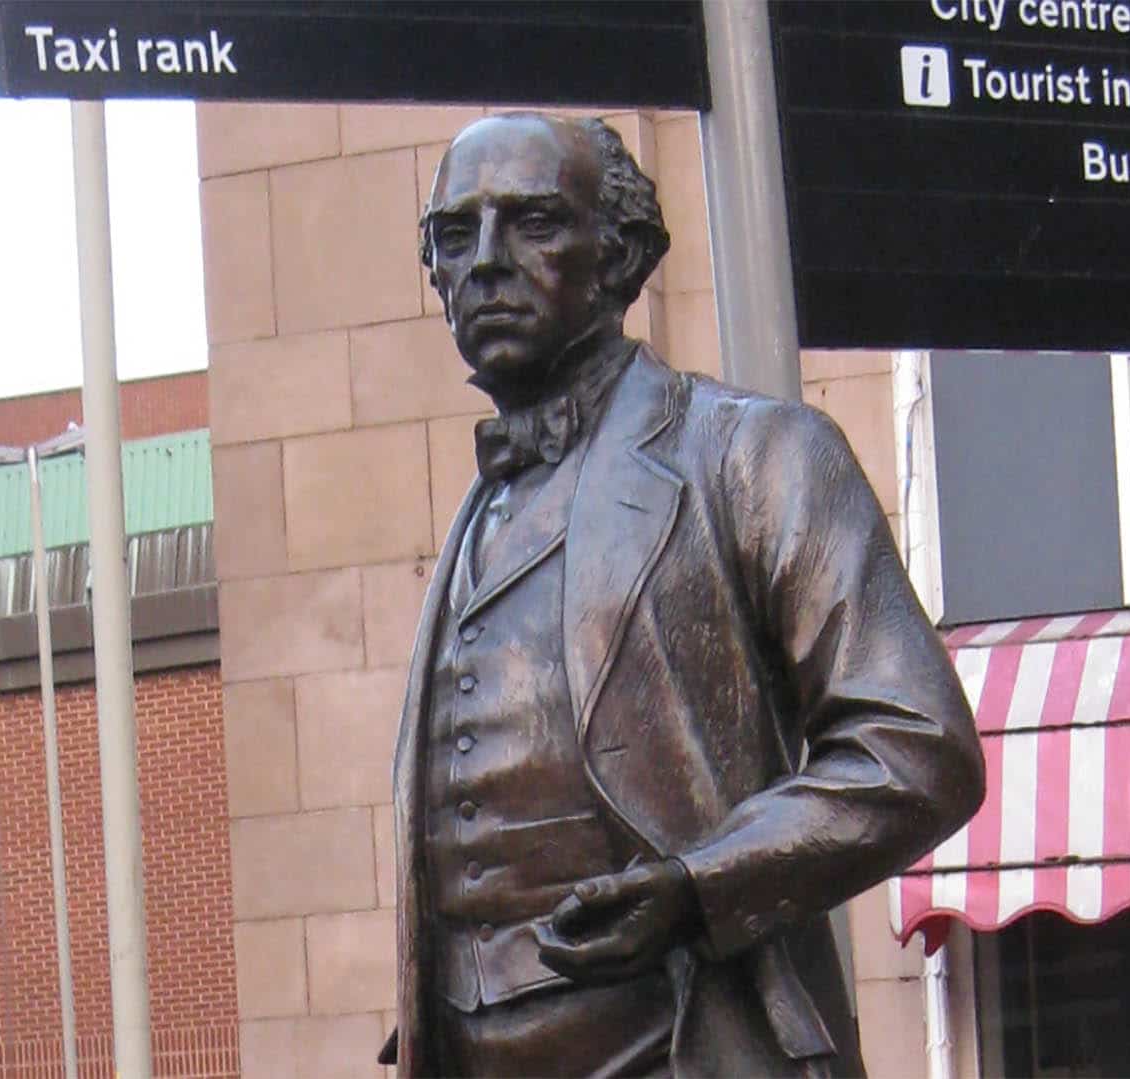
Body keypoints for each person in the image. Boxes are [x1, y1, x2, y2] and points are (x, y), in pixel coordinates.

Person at [381, 112, 984, 1077]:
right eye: (456, 235)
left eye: (531, 222)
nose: (485, 262)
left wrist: (697, 886)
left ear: (621, 256)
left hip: (690, 1046)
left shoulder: (754, 455)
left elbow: (915, 745)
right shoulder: (473, 521)